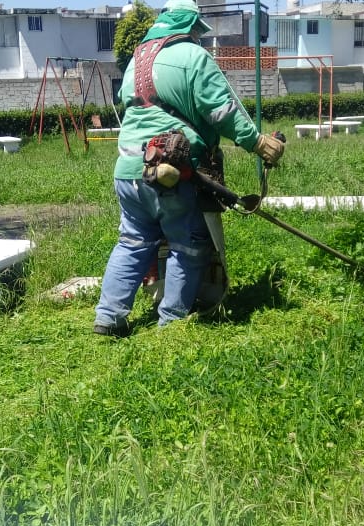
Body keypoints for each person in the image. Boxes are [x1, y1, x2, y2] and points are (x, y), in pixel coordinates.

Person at [93, 0, 285, 337]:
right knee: (188, 245)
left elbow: (129, 104)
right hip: (170, 172)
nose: (198, 36)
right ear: (190, 26)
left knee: (133, 242)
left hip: (128, 169)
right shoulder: (194, 57)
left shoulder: (137, 59)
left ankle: (108, 318)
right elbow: (222, 111)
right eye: (197, 30)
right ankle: (171, 322)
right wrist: (257, 142)